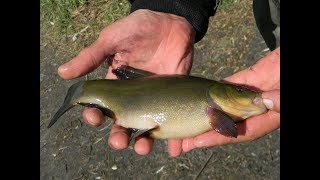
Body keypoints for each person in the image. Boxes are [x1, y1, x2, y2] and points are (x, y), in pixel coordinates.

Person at [57, 0, 280, 157]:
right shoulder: (216, 105)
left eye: (241, 90)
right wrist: (169, 5)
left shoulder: (217, 103)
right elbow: (228, 128)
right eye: (241, 90)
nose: (249, 93)